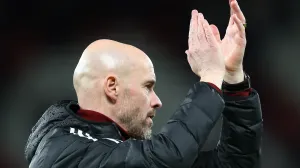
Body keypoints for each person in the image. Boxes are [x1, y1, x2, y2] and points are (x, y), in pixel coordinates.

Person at [25, 0, 263, 167]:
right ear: (112, 87)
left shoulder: (117, 150)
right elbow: (166, 158)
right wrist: (211, 75)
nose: (157, 101)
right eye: (147, 86)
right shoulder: (63, 153)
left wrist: (232, 77)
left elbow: (235, 163)